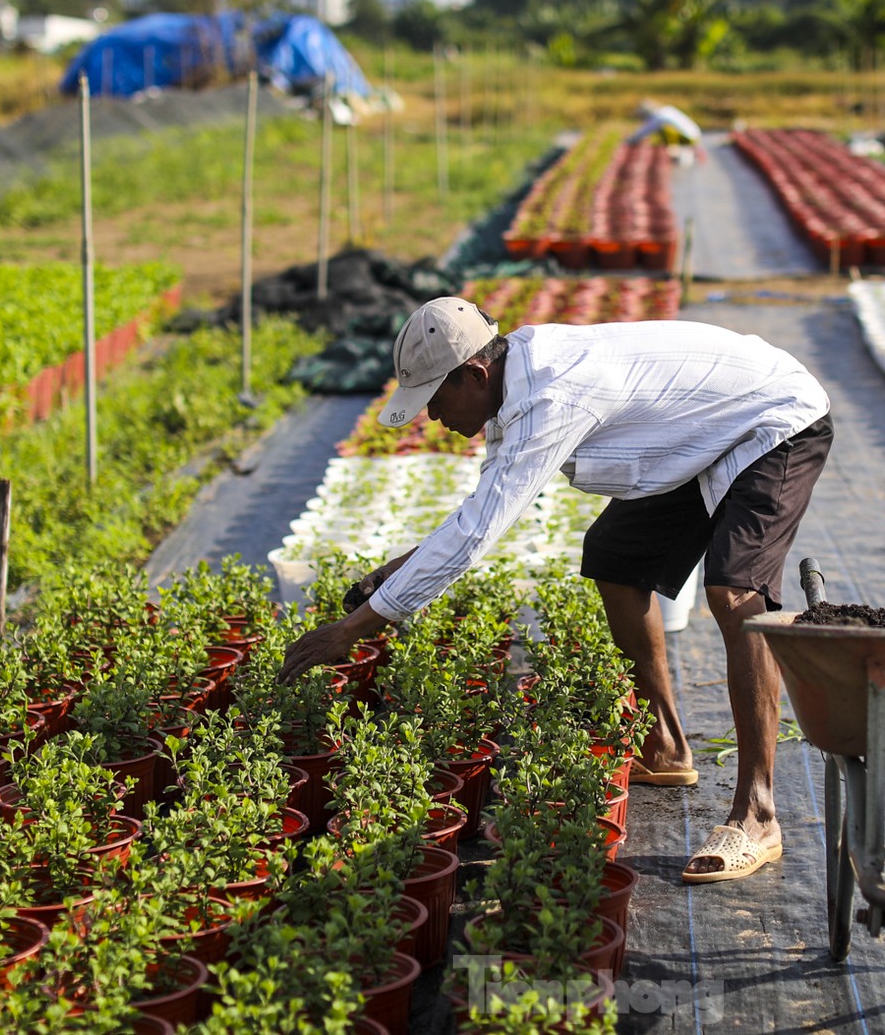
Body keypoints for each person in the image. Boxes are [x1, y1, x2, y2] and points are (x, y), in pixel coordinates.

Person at [279, 297, 832, 884]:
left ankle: (758, 814)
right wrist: (401, 567)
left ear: (474, 374)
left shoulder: (549, 396)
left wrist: (352, 628)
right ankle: (666, 747)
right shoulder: (511, 383)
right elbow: (486, 507)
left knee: (733, 592)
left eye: (436, 401)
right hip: (702, 430)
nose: (433, 417)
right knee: (616, 556)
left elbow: (477, 533)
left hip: (773, 418)